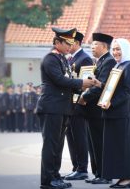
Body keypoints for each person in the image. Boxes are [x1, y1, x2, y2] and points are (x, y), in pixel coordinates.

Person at [36, 27, 94, 189]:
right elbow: (60, 81)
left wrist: (87, 85)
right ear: (57, 42)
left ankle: (55, 175)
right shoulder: (51, 59)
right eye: (67, 43)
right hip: (51, 108)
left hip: (62, 108)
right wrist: (82, 83)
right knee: (51, 144)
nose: (70, 46)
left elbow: (69, 83)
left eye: (71, 43)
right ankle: (48, 180)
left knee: (58, 145)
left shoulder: (62, 59)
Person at [94, 38, 130, 188]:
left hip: (121, 113)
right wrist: (99, 84)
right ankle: (121, 177)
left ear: (125, 50)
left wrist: (111, 102)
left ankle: (128, 178)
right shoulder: (119, 65)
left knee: (123, 147)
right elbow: (112, 88)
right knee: (115, 147)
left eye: (118, 49)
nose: (115, 52)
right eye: (113, 49)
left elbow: (128, 91)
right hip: (111, 113)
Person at [78, 33, 116, 184]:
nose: (92, 47)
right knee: (93, 143)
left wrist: (84, 97)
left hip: (98, 110)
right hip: (91, 111)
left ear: (104, 46)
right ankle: (98, 173)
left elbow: (103, 86)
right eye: (91, 45)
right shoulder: (100, 62)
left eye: (95, 45)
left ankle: (105, 175)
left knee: (100, 143)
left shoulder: (109, 62)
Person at [64, 31, 93, 181]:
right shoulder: (71, 59)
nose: (68, 46)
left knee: (80, 136)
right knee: (71, 136)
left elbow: (86, 85)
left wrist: (81, 99)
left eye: (70, 43)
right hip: (70, 103)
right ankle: (75, 166)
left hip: (79, 104)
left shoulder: (85, 59)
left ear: (77, 43)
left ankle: (82, 168)